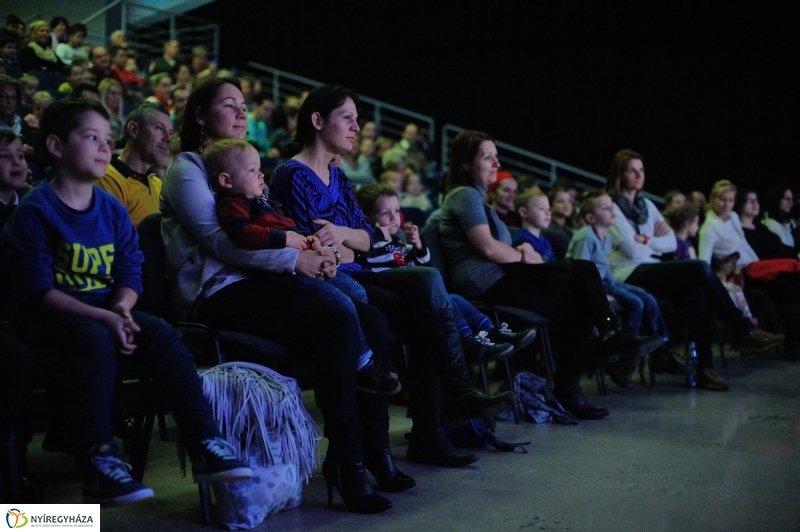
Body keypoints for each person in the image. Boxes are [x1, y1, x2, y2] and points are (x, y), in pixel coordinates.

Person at [161, 78, 414, 513]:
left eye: (244, 106)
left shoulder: (249, 168)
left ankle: (363, 454)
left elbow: (282, 228)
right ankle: (350, 466)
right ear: (200, 116)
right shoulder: (187, 168)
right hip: (218, 291)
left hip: (262, 282)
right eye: (229, 106)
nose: (242, 114)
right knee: (336, 323)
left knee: (371, 319)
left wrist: (315, 250)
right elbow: (224, 245)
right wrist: (298, 260)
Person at [2, 98, 253, 508]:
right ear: (54, 146)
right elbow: (37, 292)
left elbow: (130, 272)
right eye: (91, 137)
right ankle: (100, 463)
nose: (105, 147)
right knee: (93, 338)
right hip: (46, 317)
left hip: (105, 311)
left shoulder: (110, 210)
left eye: (107, 138)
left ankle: (206, 443)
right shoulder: (35, 211)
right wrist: (107, 316)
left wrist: (121, 307)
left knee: (163, 335)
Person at [269, 86, 513, 467]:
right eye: (347, 117)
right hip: (329, 282)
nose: (356, 126)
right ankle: (426, 429)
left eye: (356, 117)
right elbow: (319, 250)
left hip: (360, 271)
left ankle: (453, 399)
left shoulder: (338, 174)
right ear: (317, 121)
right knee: (423, 318)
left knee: (428, 280)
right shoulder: (292, 174)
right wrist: (348, 239)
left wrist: (344, 235)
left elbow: (365, 241)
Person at [438, 131, 653, 418]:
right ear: (465, 165)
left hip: (503, 276)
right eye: (487, 157)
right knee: (584, 272)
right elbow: (488, 249)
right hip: (487, 284)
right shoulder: (463, 195)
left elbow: (499, 244)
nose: (495, 163)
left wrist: (522, 245)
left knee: (579, 299)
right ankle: (608, 338)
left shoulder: (478, 199)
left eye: (496, 156)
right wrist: (525, 257)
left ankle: (599, 350)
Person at [206, 138, 400, 395]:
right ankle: (363, 364)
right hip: (281, 271)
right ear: (226, 181)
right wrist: (287, 239)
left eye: (260, 168)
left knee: (357, 293)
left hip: (305, 256)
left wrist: (318, 249)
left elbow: (290, 228)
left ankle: (368, 359)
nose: (261, 175)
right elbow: (241, 234)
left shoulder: (261, 201)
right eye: (252, 171)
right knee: (339, 302)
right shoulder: (233, 204)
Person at [605, 149, 781, 390]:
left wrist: (645, 240)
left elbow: (670, 242)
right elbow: (632, 251)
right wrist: (650, 241)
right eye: (632, 171)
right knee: (699, 267)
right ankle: (742, 330)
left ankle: (704, 369)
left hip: (651, 267)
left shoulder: (646, 205)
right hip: (625, 272)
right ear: (619, 174)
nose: (638, 175)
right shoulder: (611, 207)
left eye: (641, 170)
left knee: (698, 293)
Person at [357, 182, 536, 362]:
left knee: (456, 299)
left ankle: (492, 332)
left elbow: (422, 266)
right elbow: (375, 266)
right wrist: (378, 235)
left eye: (396, 211)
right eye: (385, 213)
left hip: (413, 291)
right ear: (367, 219)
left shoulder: (397, 242)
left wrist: (417, 246)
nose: (394, 218)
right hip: (396, 299)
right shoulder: (367, 243)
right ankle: (468, 342)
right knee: (449, 301)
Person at [567, 192, 667, 390]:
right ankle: (622, 356)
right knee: (635, 303)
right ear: (590, 218)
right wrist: (599, 294)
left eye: (611, 207)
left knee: (647, 297)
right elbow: (577, 270)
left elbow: (606, 272)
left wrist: (617, 286)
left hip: (605, 282)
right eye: (605, 208)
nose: (612, 211)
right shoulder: (586, 236)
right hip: (593, 286)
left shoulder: (605, 238)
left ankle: (660, 347)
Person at [95, 102, 171, 225]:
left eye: (170, 132)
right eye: (159, 128)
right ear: (134, 130)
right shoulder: (107, 177)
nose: (168, 138)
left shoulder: (157, 183)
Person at [511, 189, 557, 262]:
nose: (548, 213)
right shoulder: (519, 238)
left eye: (548, 209)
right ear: (523, 212)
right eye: (541, 209)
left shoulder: (545, 241)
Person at [761, 185, 798, 251]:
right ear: (777, 198)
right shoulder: (769, 223)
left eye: (791, 199)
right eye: (786, 198)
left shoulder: (786, 222)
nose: (790, 202)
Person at [542, 187, 574, 260]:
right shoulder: (548, 229)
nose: (567, 205)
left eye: (569, 201)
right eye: (561, 201)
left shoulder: (568, 231)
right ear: (550, 206)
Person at [98, 78, 126, 146]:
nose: (117, 97)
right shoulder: (101, 116)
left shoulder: (121, 116)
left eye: (119, 94)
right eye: (113, 93)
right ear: (104, 95)